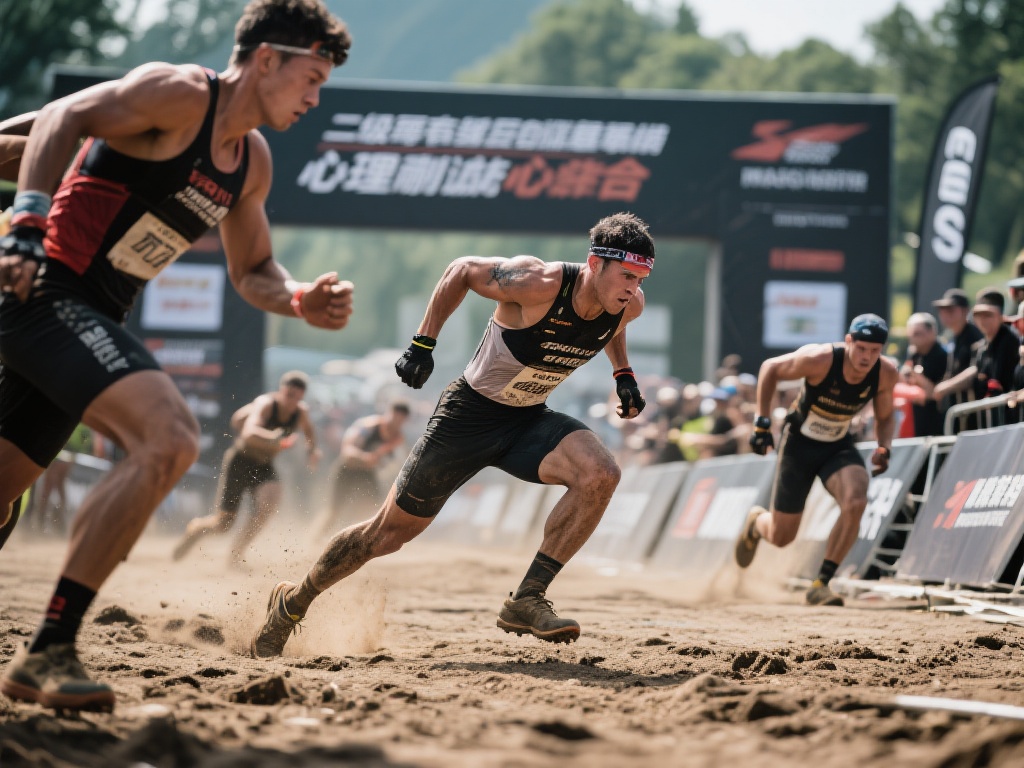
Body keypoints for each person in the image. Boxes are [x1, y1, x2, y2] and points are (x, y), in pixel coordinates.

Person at [0, 0, 353, 713]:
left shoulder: (250, 160)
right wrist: (29, 223)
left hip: (90, 314)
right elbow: (64, 119)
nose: (315, 99)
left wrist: (297, 301)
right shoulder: (181, 92)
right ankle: (51, 651)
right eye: (310, 78)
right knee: (170, 438)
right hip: (44, 291)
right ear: (266, 60)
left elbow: (254, 268)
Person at [248, 212, 653, 658]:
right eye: (627, 276)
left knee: (601, 473)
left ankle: (527, 598)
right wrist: (424, 343)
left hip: (526, 419)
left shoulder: (628, 304)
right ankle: (293, 602)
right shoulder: (538, 282)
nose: (632, 289)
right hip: (469, 416)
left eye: (641, 279)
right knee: (387, 536)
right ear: (595, 264)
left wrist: (624, 373)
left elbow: (613, 324)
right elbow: (460, 270)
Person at [733, 314, 898, 606]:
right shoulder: (821, 359)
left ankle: (821, 583)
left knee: (856, 500)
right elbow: (770, 368)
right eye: (861, 349)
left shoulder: (885, 373)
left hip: (838, 444)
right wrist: (761, 422)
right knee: (782, 536)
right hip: (800, 444)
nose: (866, 358)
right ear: (849, 341)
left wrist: (884, 447)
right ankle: (758, 522)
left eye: (875, 351)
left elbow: (885, 417)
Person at [171, 371, 320, 566]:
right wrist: (274, 437)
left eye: (297, 398)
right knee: (224, 524)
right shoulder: (266, 404)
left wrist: (311, 451)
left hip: (264, 464)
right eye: (289, 396)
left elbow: (309, 431)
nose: (292, 402)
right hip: (240, 461)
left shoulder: (301, 411)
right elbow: (249, 432)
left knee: (269, 504)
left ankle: (236, 554)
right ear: (281, 391)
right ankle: (197, 529)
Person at [317, 401, 410, 537]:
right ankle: (317, 537)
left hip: (367, 473)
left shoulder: (397, 437)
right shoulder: (369, 426)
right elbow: (347, 451)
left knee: (372, 508)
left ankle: (362, 539)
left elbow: (387, 457)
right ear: (388, 414)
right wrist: (364, 457)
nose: (396, 423)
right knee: (334, 510)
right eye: (395, 418)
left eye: (400, 421)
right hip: (347, 469)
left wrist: (380, 462)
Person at [932, 289, 1018, 429]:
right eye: (978, 315)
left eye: (988, 315)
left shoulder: (1009, 342)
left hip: (1006, 420)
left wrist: (945, 387)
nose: (982, 320)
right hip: (987, 420)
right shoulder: (982, 346)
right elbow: (976, 371)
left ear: (1000, 316)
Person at [931, 287, 984, 431]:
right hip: (960, 410)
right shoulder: (954, 337)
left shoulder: (974, 335)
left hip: (974, 413)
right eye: (942, 310)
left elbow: (976, 369)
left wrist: (944, 387)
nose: (945, 314)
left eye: (950, 309)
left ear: (965, 310)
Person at [900, 312, 948, 437]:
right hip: (916, 420)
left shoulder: (943, 356)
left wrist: (915, 375)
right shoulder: (914, 354)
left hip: (936, 422)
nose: (913, 338)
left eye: (917, 334)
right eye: (910, 334)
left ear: (932, 332)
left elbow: (935, 393)